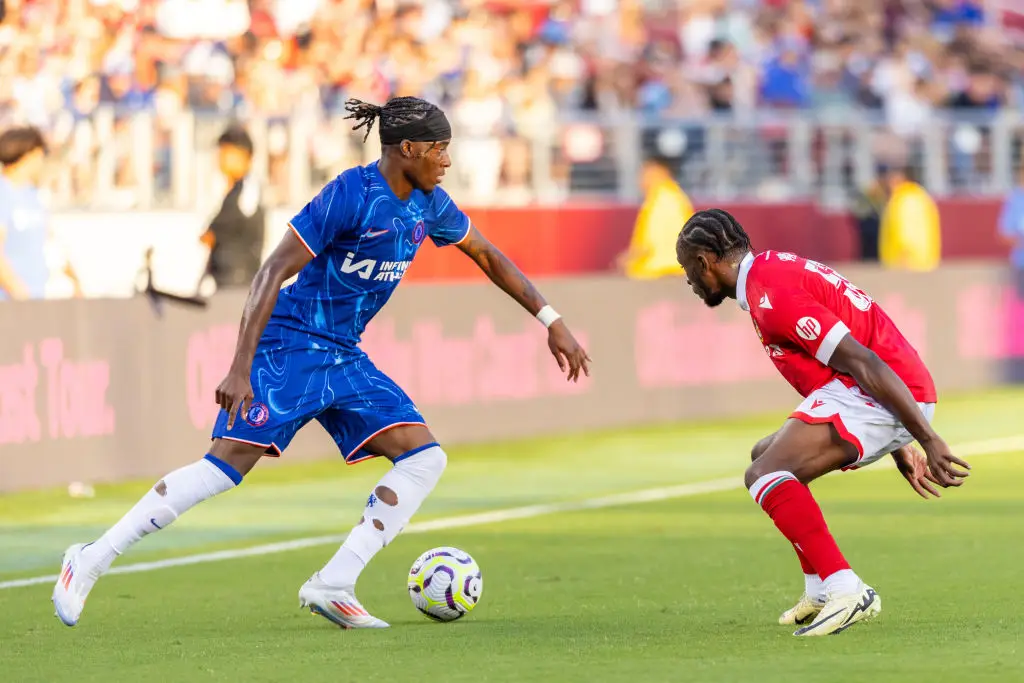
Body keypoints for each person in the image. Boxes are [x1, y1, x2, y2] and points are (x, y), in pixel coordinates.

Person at [52, 96, 591, 629]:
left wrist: (552, 319)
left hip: (343, 354)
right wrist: (240, 365)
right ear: (408, 149)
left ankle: (334, 582)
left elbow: (489, 256)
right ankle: (90, 558)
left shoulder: (430, 203)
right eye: (439, 149)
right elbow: (271, 272)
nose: (446, 161)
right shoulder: (350, 194)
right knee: (222, 468)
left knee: (424, 458)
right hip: (290, 346)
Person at [675, 209, 970, 637]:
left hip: (881, 389)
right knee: (765, 456)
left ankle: (846, 587)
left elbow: (863, 359)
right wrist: (899, 441)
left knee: (764, 474)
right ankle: (819, 589)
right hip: (871, 392)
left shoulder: (772, 295)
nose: (688, 281)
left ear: (705, 261)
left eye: (687, 270)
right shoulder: (769, 274)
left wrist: (926, 438)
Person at [0, 126, 81, 300]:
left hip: (35, 297)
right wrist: (17, 291)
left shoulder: (32, 196)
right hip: (9, 303)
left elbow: (50, 242)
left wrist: (74, 281)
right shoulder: (3, 193)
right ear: (28, 154)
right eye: (40, 153)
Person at [199, 124, 266, 290]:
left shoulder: (248, 189)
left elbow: (216, 230)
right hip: (226, 281)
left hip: (239, 283)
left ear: (245, 157)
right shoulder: (229, 190)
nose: (220, 158)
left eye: (226, 153)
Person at [616, 156, 694, 279]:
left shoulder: (662, 200)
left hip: (661, 271)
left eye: (645, 173)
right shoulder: (673, 196)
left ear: (661, 172)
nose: (641, 180)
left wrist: (627, 259)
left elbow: (649, 243)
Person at [878, 165, 941, 272]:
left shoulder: (904, 199)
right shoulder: (919, 195)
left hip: (907, 262)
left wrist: (905, 254)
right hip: (922, 261)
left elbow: (906, 228)